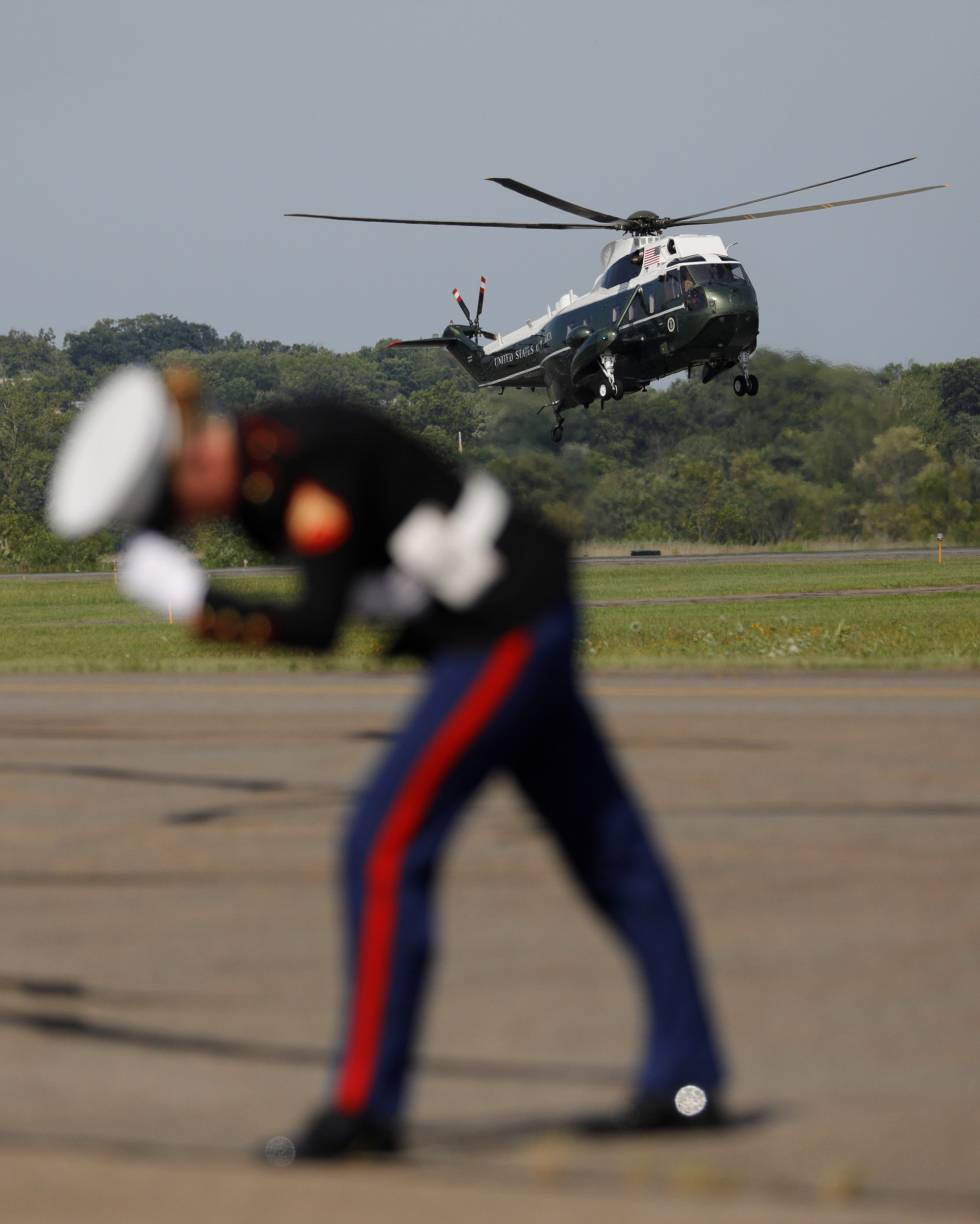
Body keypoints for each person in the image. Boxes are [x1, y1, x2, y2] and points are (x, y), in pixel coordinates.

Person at [46, 365, 725, 1160]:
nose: (184, 526)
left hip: (502, 626)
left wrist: (199, 607)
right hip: (505, 614)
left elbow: (320, 623)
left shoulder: (301, 465)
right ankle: (690, 1079)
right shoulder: (269, 471)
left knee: (383, 846)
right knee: (611, 851)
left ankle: (366, 1108)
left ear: (192, 464)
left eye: (171, 509)